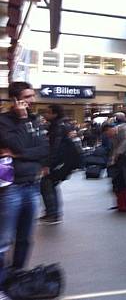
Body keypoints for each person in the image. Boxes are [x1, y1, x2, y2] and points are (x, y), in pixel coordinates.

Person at [0, 82, 49, 287]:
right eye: (27, 97)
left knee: (25, 238)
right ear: (15, 100)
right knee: (3, 239)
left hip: (32, 185)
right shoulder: (3, 122)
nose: (32, 100)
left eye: (32, 96)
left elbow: (44, 149)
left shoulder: (35, 120)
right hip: (11, 187)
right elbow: (18, 143)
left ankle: (17, 278)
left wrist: (20, 154)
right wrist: (21, 119)